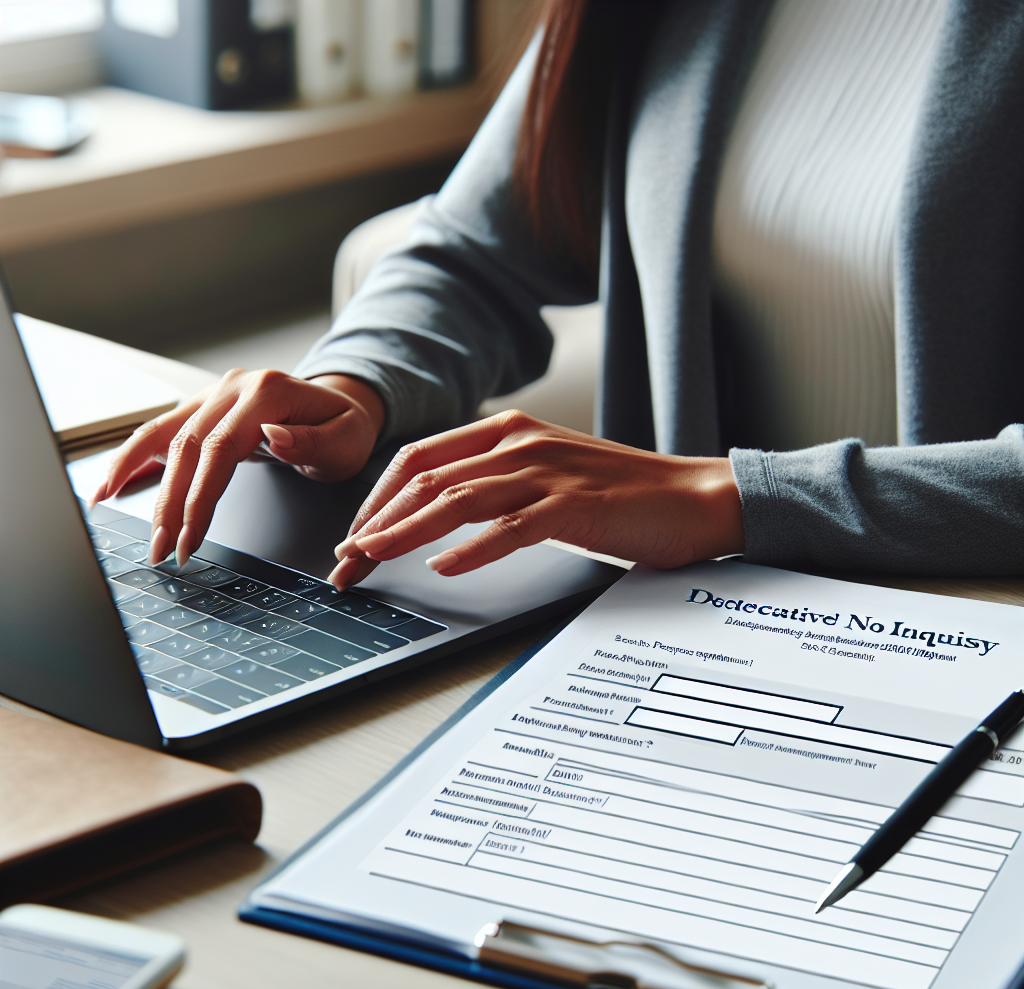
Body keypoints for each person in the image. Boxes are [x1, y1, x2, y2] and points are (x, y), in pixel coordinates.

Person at [95, 0, 1024, 592]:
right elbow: (472, 248)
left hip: (971, 650)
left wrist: (733, 497)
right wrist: (359, 383)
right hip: (691, 626)